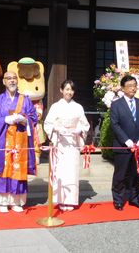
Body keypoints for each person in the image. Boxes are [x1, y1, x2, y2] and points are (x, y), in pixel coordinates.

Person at [0, 71, 37, 213]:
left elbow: (34, 117)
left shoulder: (25, 100)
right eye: (8, 78)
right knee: (3, 168)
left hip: (20, 140)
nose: (12, 81)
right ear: (4, 82)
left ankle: (16, 201)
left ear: (17, 81)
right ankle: (2, 201)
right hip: (3, 140)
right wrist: (4, 120)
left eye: (14, 78)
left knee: (17, 169)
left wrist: (25, 120)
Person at [43, 80, 90, 211]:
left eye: (71, 90)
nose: (69, 92)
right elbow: (48, 124)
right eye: (67, 89)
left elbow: (85, 124)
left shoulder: (78, 107)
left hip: (73, 143)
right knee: (61, 171)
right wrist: (57, 129)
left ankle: (71, 200)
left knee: (72, 171)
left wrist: (79, 130)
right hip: (61, 143)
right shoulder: (55, 106)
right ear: (61, 90)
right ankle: (60, 200)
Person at [110, 75, 139, 211]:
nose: (133, 88)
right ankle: (118, 200)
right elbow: (115, 125)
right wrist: (126, 140)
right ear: (122, 88)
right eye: (129, 86)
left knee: (136, 174)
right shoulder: (116, 104)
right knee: (120, 175)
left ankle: (135, 198)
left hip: (138, 146)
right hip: (123, 146)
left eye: (134, 85)